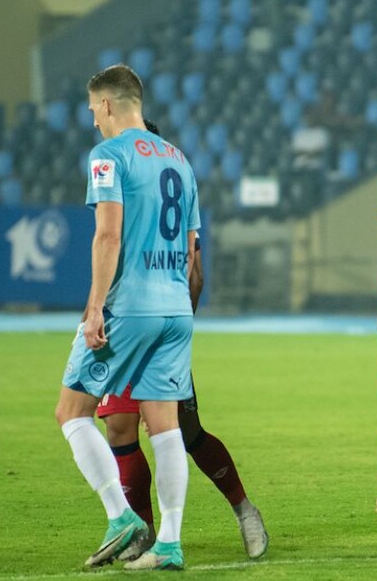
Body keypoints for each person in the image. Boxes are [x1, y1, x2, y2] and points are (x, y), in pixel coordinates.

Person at [94, 119, 268, 562]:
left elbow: (195, 267)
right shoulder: (129, 191)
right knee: (119, 428)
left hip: (156, 324)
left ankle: (244, 508)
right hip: (122, 324)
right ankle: (143, 533)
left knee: (185, 432)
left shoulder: (153, 191)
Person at [54, 64, 199, 570]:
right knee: (165, 426)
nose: (94, 120)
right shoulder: (180, 160)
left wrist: (95, 308)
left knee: (72, 413)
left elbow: (108, 235)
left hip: (129, 306)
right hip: (175, 307)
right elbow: (190, 245)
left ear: (109, 105)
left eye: (94, 109)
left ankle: (122, 517)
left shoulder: (107, 156)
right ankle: (171, 543)